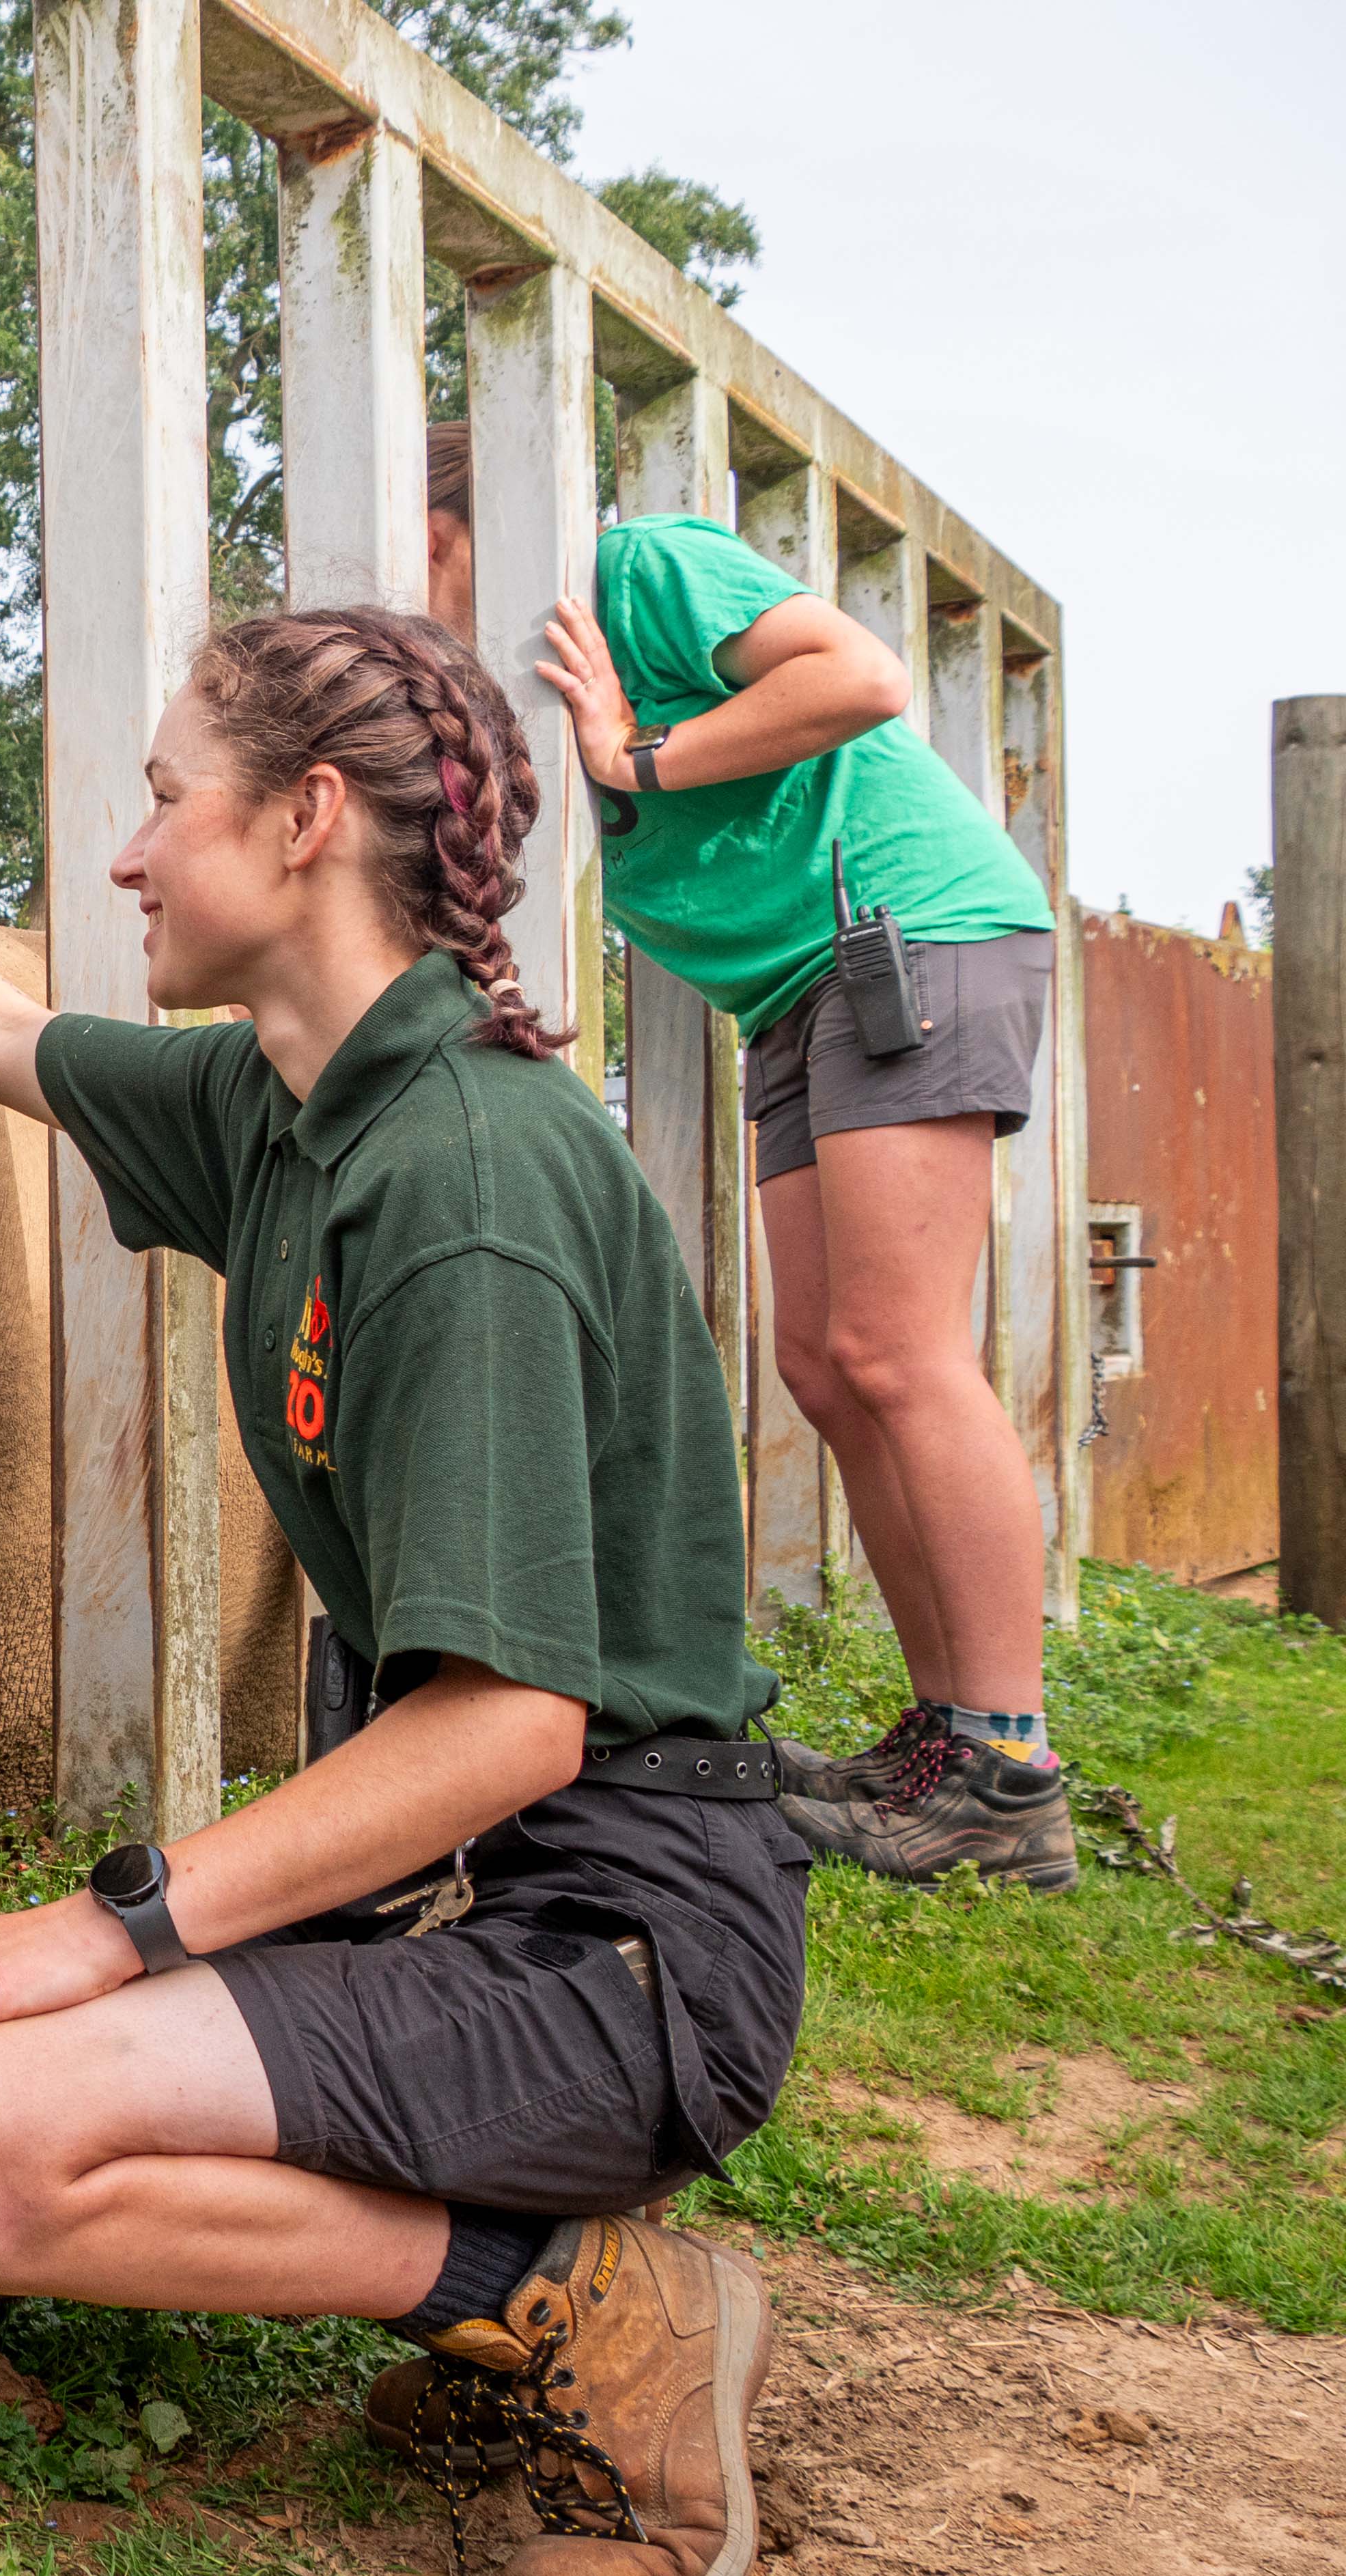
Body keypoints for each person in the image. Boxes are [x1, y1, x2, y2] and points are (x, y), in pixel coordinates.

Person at [0, 609, 807, 2576]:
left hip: (614, 1941)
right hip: (452, 1898)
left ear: (304, 820)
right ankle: (502, 2245)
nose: (122, 859)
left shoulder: (463, 1185)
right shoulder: (286, 1109)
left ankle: (573, 2295)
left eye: (157, 800)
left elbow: (509, 1735)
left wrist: (108, 1926)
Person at [424, 425, 1076, 1893]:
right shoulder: (491, 707)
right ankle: (941, 1743)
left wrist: (639, 753)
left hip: (905, 933)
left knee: (903, 1355)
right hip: (800, 988)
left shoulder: (638, 568)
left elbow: (859, 677)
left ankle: (1009, 1770)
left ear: (452, 521)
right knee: (828, 1369)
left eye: (407, 548)